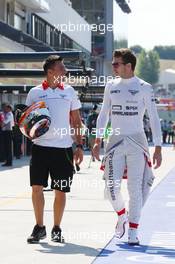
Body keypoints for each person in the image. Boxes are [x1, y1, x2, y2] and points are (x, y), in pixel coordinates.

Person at [93, 48, 162, 245]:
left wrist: (157, 146)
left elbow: (154, 118)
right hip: (114, 142)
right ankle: (122, 216)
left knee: (135, 189)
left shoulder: (144, 87)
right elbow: (103, 114)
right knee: (111, 188)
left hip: (137, 142)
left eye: (116, 64)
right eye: (113, 64)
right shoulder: (110, 85)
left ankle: (133, 231)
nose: (113, 67)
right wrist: (98, 139)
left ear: (128, 66)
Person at [26, 55, 83, 243]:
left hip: (63, 149)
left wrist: (80, 145)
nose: (65, 70)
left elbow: (76, 120)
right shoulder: (34, 93)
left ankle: (57, 228)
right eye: (61, 67)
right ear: (50, 72)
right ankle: (39, 227)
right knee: (36, 188)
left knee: (60, 191)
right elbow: (27, 121)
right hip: (40, 148)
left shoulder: (69, 91)